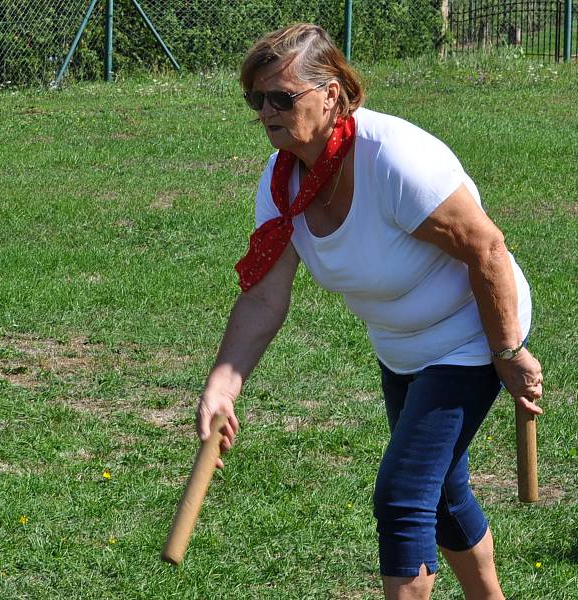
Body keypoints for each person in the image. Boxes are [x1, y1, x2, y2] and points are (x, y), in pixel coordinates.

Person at [196, 23, 544, 600]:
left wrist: (507, 352)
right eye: (256, 99)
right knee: (444, 491)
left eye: (282, 97)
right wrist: (223, 384)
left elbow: (487, 247)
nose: (266, 112)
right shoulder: (284, 183)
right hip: (401, 344)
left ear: (330, 93)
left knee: (404, 494)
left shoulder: (392, 159)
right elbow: (263, 295)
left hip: (470, 333)